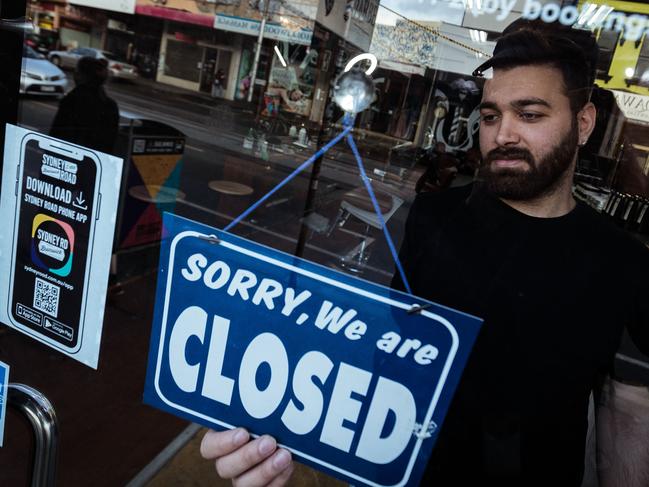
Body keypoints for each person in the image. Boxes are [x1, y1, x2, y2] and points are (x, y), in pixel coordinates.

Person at [199, 24, 649, 486]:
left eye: (530, 115)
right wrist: (276, 443)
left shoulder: (623, 263)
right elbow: (365, 351)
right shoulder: (429, 218)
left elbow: (627, 414)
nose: (503, 134)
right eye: (491, 116)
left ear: (584, 123)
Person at [50, 56, 119, 154]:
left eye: (76, 70)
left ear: (80, 75)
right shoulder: (111, 106)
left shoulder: (72, 101)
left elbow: (56, 137)